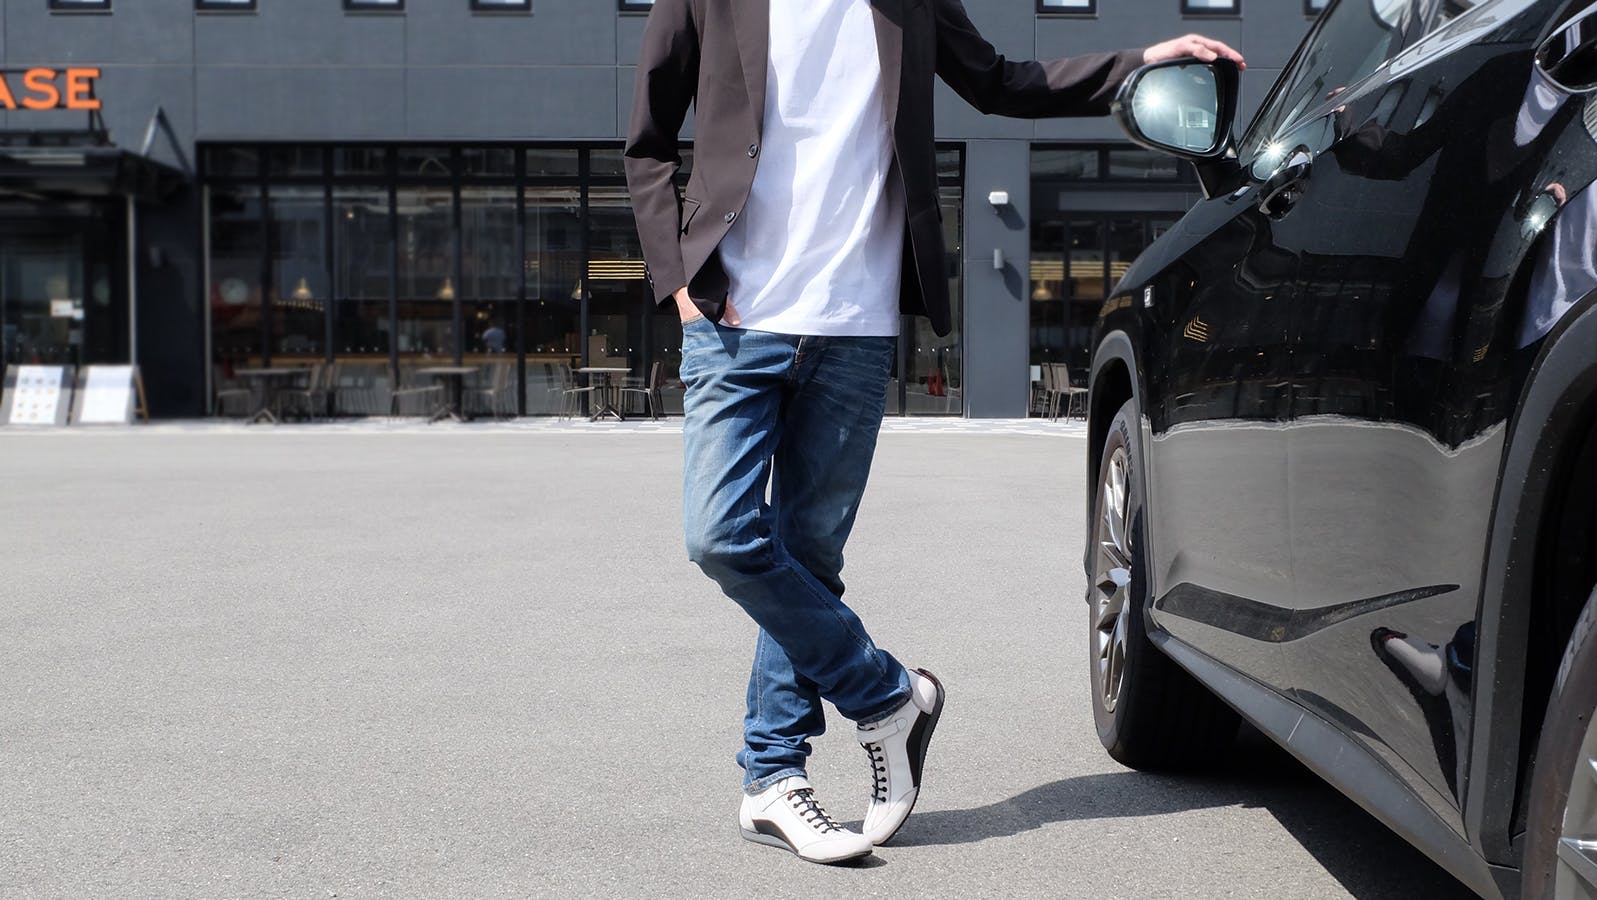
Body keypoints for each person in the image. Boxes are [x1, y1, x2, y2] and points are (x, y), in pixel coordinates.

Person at [624, 0, 1243, 866]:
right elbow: (647, 142)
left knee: (808, 555)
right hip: (734, 323)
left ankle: (772, 778)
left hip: (854, 325)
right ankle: (886, 696)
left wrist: (1138, 62)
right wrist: (679, 282)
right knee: (720, 537)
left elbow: (1000, 82)